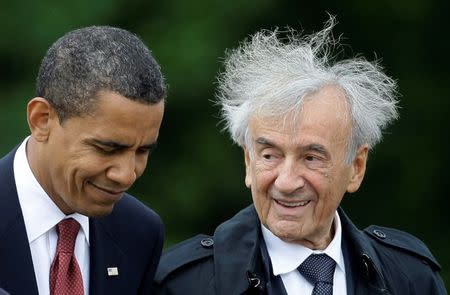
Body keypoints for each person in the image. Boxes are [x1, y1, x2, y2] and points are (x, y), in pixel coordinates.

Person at [154, 18, 447, 295]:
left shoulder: (410, 277)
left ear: (356, 167)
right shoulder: (183, 285)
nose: (287, 181)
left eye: (311, 158)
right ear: (248, 161)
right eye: (270, 155)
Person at [0, 26, 166, 295]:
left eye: (142, 151)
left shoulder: (141, 233)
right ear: (41, 120)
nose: (126, 175)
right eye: (106, 148)